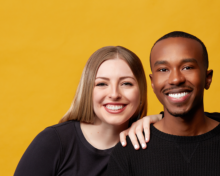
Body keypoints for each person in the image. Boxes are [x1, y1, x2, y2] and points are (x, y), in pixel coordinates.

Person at [107, 31, 220, 175]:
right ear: (152, 83)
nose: (176, 79)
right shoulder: (127, 153)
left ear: (208, 78)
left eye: (187, 67)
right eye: (163, 70)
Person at [14, 46, 162, 176]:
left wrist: (163, 119)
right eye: (102, 83)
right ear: (87, 91)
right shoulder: (53, 141)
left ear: (141, 91)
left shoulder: (148, 144)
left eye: (126, 83)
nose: (114, 94)